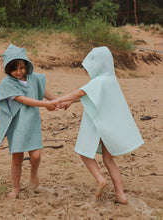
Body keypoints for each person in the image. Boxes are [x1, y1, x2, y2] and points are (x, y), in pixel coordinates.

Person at [57, 46, 144, 204]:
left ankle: (100, 179)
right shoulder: (110, 79)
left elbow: (80, 93)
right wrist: (69, 101)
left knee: (84, 152)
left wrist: (58, 100)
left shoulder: (99, 80)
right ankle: (120, 194)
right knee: (108, 160)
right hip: (108, 127)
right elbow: (88, 95)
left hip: (97, 125)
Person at [0, 44, 60, 198]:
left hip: (32, 122)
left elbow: (42, 90)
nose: (19, 72)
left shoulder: (33, 78)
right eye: (15, 69)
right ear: (8, 69)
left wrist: (56, 101)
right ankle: (15, 188)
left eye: (22, 68)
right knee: (18, 158)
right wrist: (46, 105)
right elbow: (24, 100)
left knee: (36, 155)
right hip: (17, 125)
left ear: (27, 65)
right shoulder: (7, 83)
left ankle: (34, 176)